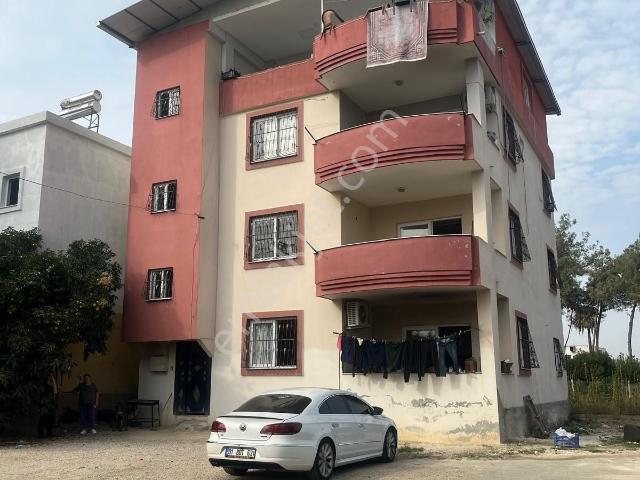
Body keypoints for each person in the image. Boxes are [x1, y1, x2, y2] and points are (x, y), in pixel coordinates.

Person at [38, 373, 58, 438]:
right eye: (50, 378)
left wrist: (53, 379)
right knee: (43, 419)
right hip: (45, 405)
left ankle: (49, 433)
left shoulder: (51, 386)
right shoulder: (44, 386)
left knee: (50, 419)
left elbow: (55, 391)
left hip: (50, 404)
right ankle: (41, 434)